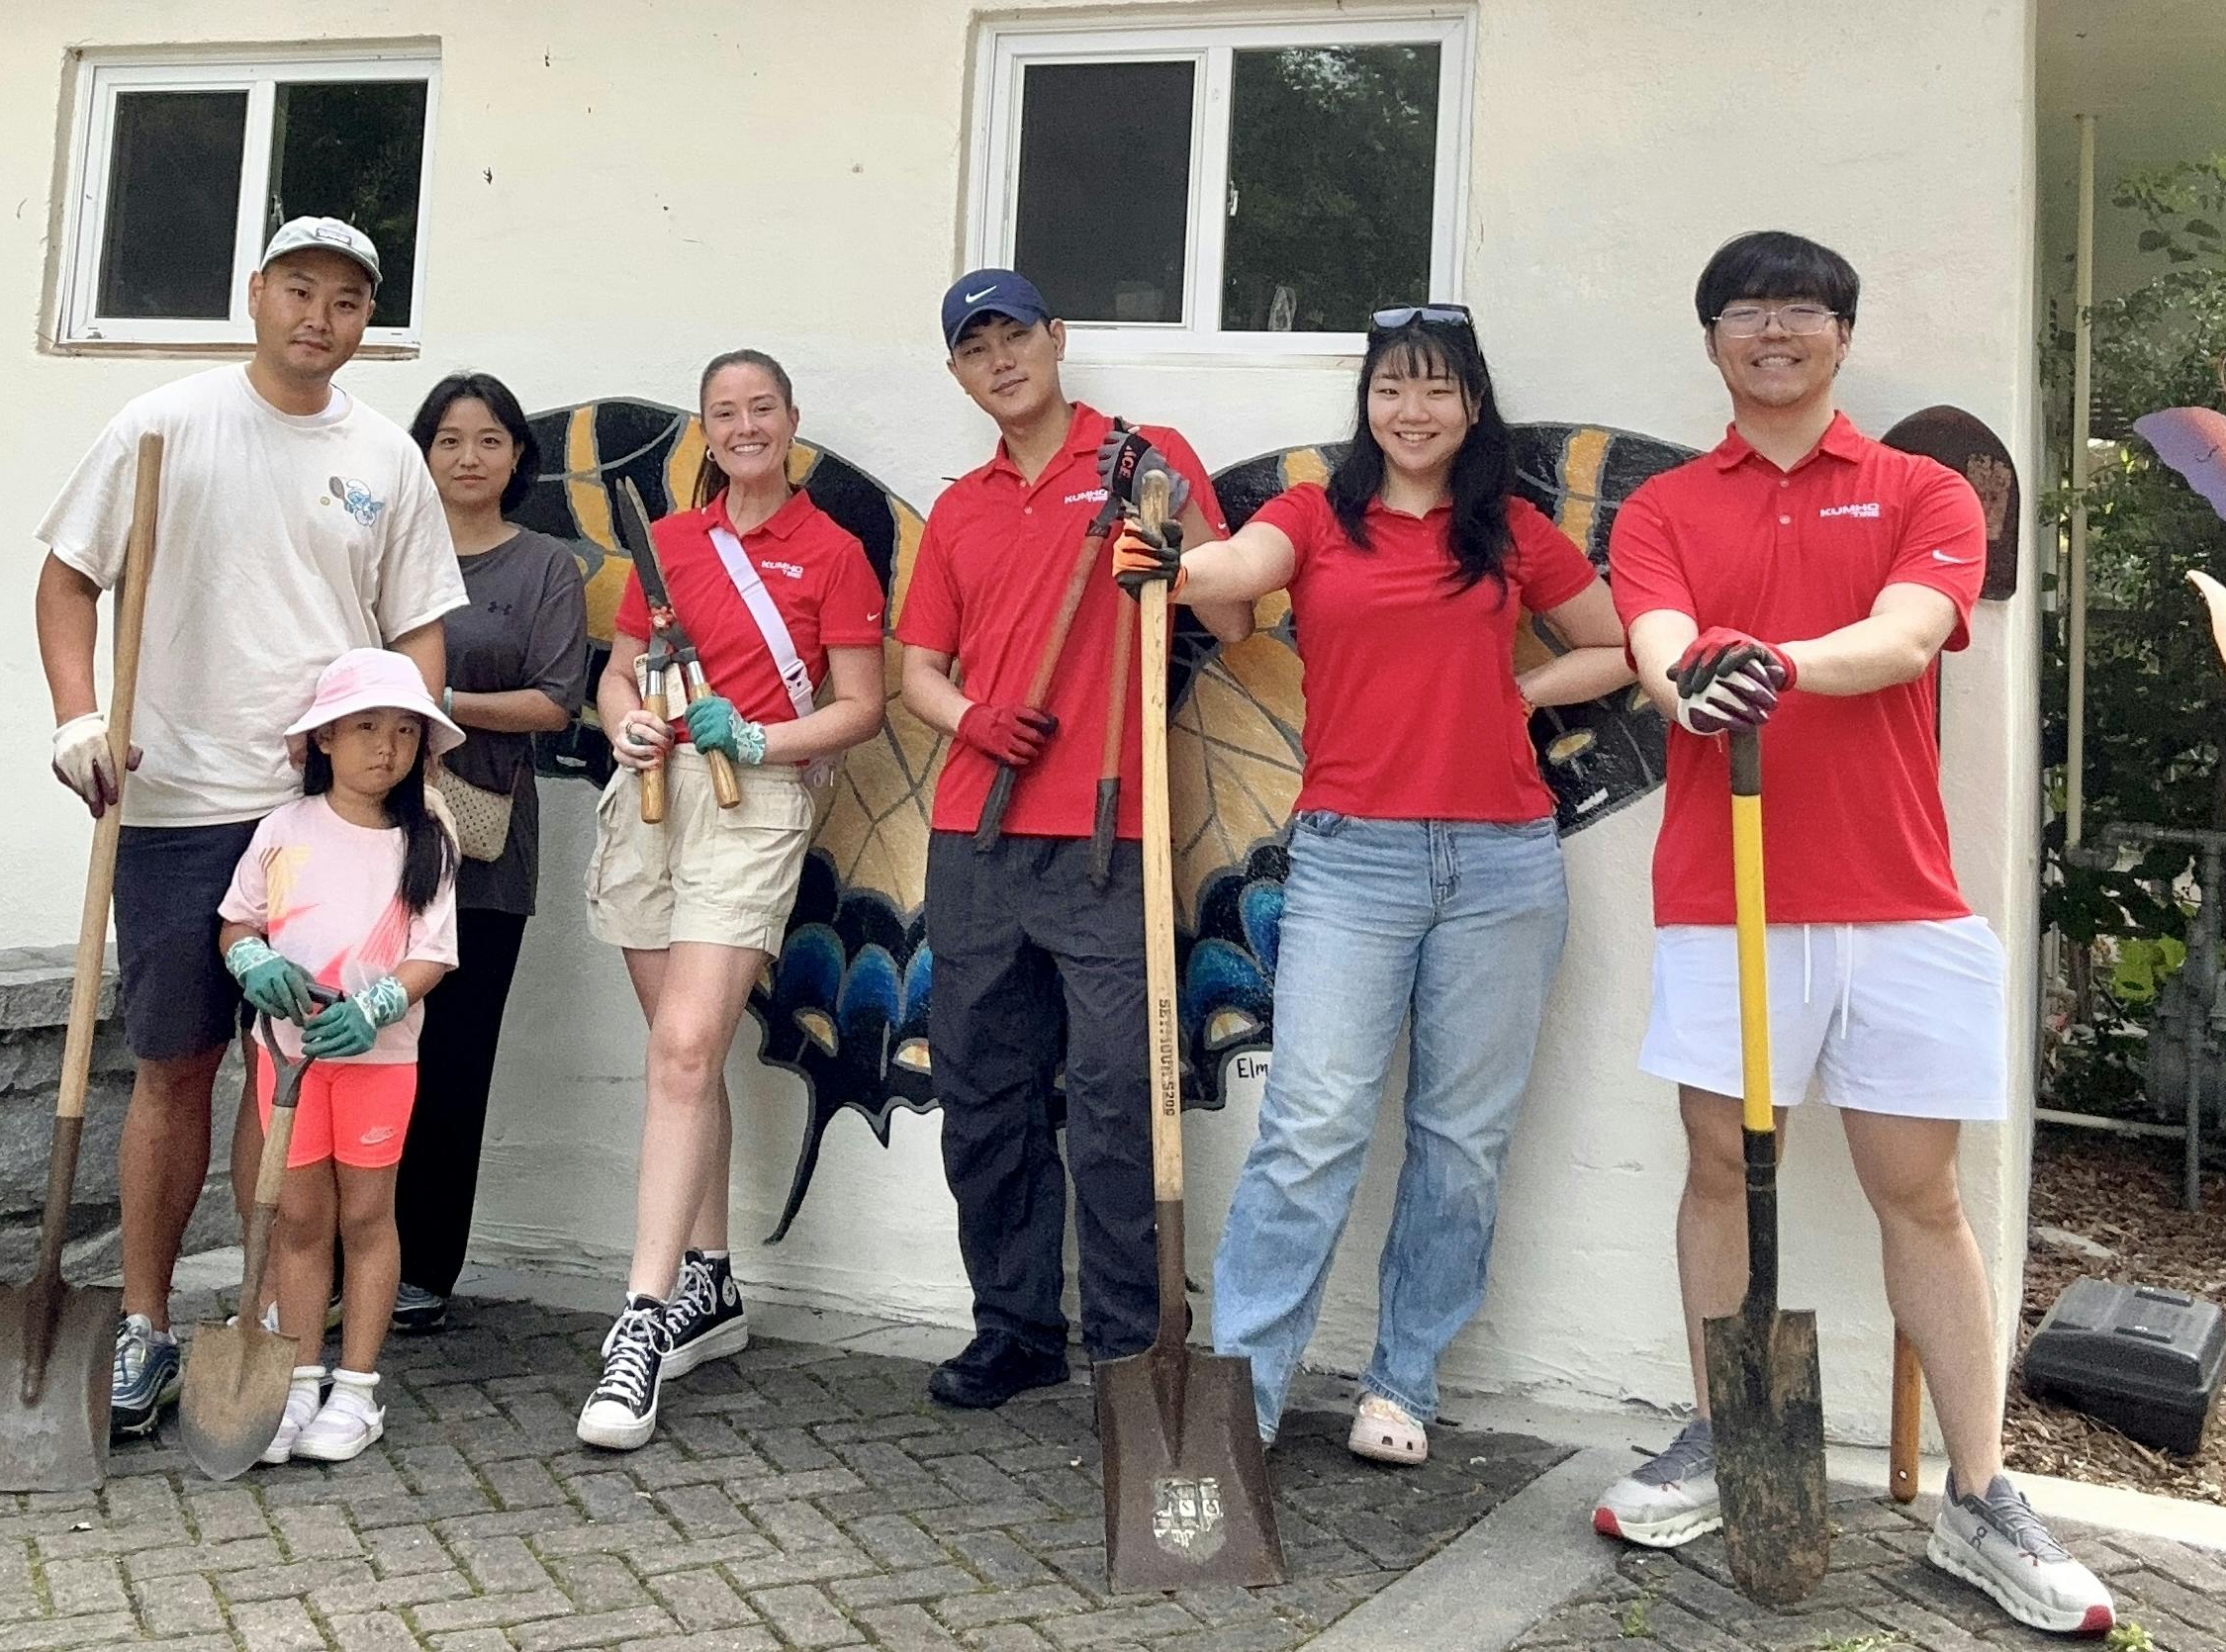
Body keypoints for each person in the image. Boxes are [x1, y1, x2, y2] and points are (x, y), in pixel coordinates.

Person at [1594, 230, 2113, 1636]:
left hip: (1900, 904)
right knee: (1718, 1164)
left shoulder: (1918, 488)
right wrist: (1684, 674)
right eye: (1747, 310)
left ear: (1839, 335)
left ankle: (1982, 1495)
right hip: (1725, 893)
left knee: (1922, 1195)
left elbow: (1905, 630)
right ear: (1712, 340)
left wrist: (1768, 665)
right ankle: (1724, 1434)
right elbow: (1651, 636)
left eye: (1802, 310)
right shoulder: (1659, 504)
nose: (1775, 329)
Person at [1112, 305, 1632, 1461]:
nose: (1413, 409)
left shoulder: (1511, 530)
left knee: (1460, 1141)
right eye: (1393, 387)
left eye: (1438, 389)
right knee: (1310, 1126)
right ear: (1368, 402)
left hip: (1501, 863)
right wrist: (1176, 561)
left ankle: (1403, 1379)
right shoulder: (1316, 516)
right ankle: (1238, 1393)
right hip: (1352, 858)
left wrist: (1527, 696)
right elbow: (1240, 569)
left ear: (1473, 404)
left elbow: (1616, 645)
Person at [33, 216, 462, 1439]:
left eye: (345, 301)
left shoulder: (386, 453)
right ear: (258, 293)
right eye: (299, 290)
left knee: (287, 1073)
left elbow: (418, 624)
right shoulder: (162, 425)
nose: (318, 318)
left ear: (364, 322)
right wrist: (77, 718)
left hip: (335, 808)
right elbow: (68, 576)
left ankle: (270, 1325)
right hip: (175, 795)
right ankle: (146, 1322)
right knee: (175, 1062)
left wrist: (415, 767)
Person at [895, 271, 1228, 1410]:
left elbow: (1230, 613)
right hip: (975, 836)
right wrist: (972, 718)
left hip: (1110, 837)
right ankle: (1016, 1326)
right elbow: (917, 674)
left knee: (1115, 1096)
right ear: (958, 371)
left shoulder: (1140, 456)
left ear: (1058, 336)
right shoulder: (960, 507)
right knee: (984, 1094)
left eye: (1014, 335)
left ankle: (1133, 1348)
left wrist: (1166, 537)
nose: (999, 359)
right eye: (974, 346)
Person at [578, 349, 888, 1449]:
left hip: (755, 805)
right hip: (655, 798)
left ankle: (640, 1320)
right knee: (683, 1053)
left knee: (684, 1046)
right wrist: (626, 717)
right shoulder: (665, 544)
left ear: (792, 421)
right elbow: (620, 667)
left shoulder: (836, 554)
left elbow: (861, 706)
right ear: (704, 431)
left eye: (764, 408)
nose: (746, 425)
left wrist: (759, 737)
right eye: (726, 412)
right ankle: (709, 1279)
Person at [215, 648, 461, 1462]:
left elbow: (433, 952)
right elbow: (237, 924)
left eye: (402, 732)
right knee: (300, 1217)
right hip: (286, 1062)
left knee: (365, 1215)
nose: (383, 749)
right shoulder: (283, 830)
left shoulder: (429, 839)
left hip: (378, 1064)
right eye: (363, 729)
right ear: (322, 739)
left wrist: (377, 1006)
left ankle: (355, 1391)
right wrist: (255, 966)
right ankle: (294, 1380)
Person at [390, 372, 591, 1335]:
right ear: (423, 452)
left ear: (517, 456)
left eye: (489, 439)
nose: (468, 457)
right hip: (373, 839)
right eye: (448, 439)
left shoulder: (546, 566)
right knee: (370, 1049)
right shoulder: (391, 553)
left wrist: (430, 701)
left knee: (453, 1058)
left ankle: (425, 1265)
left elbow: (556, 702)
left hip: (482, 845)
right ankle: (351, 1252)